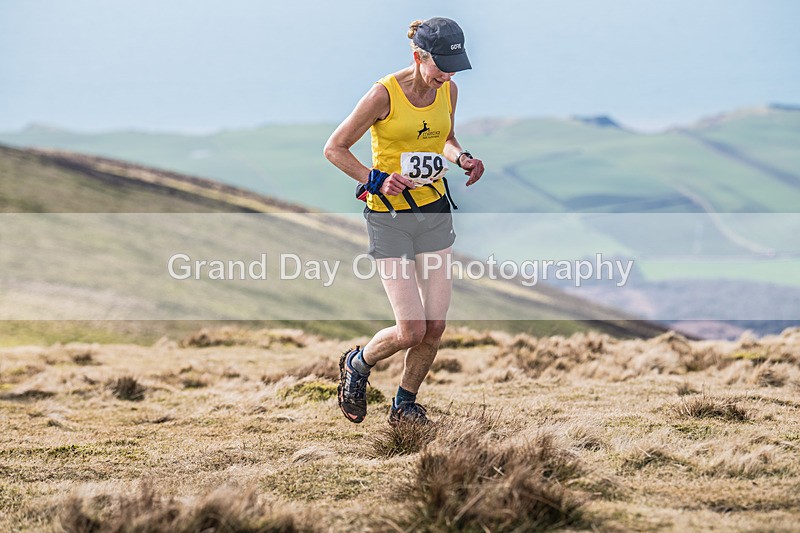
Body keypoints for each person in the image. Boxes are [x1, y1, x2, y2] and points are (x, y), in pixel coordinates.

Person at [323, 17, 484, 426]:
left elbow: (444, 140)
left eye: (454, 69)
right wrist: (375, 179)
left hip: (434, 212)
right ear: (418, 57)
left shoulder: (448, 89)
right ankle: (358, 364)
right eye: (441, 68)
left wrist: (463, 158)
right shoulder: (383, 94)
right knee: (411, 329)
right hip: (390, 218)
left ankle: (404, 405)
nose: (447, 77)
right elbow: (335, 148)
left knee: (435, 327)